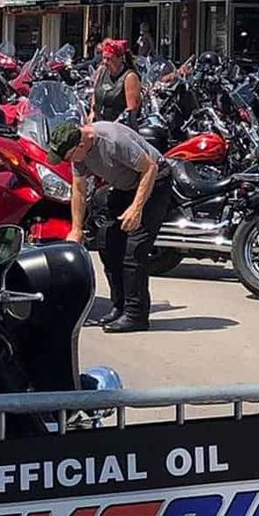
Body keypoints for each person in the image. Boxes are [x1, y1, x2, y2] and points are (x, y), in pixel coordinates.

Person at [50, 119, 171, 333]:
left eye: (69, 157)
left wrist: (137, 208)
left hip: (154, 181)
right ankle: (119, 305)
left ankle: (136, 315)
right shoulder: (79, 153)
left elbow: (149, 167)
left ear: (80, 146)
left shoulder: (112, 139)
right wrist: (76, 228)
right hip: (124, 186)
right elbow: (79, 189)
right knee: (108, 243)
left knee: (133, 250)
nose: (70, 162)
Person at [90, 38, 142, 126]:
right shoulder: (101, 71)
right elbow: (95, 94)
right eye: (104, 58)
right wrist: (92, 113)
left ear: (120, 58)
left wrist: (113, 128)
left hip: (120, 129)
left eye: (109, 59)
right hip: (100, 126)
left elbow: (131, 110)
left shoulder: (130, 77)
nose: (105, 62)